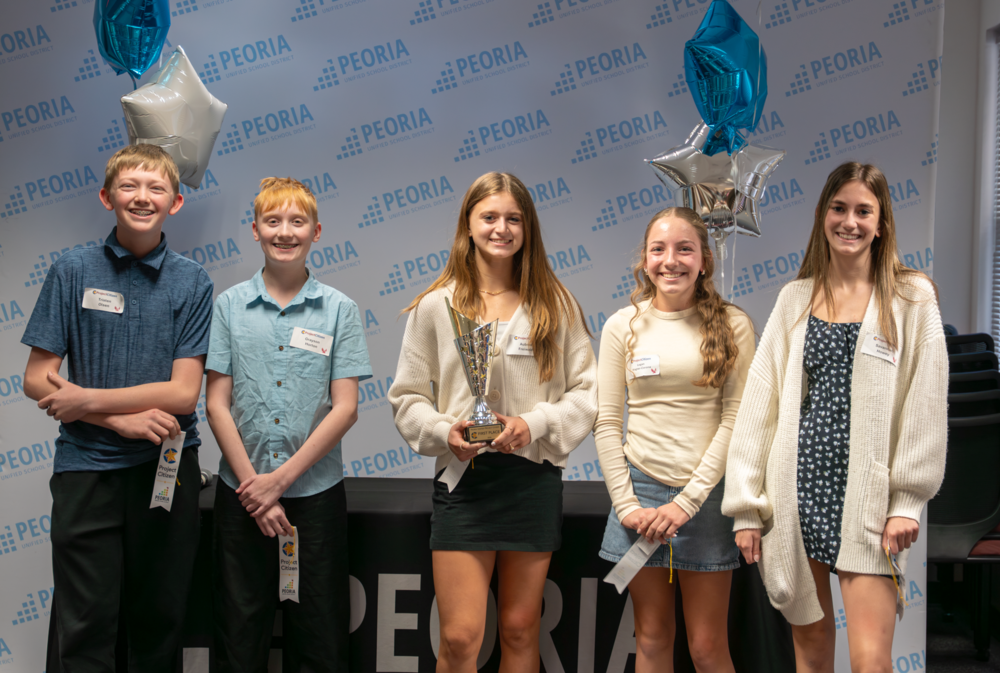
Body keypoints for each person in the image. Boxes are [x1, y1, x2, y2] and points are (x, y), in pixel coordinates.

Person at [722, 162, 947, 672]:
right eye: (839, 208)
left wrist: (907, 501)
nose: (850, 221)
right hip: (795, 495)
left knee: (872, 662)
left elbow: (925, 405)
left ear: (881, 222)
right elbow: (761, 405)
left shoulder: (912, 298)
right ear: (823, 214)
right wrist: (745, 506)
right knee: (812, 654)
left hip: (867, 499)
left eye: (863, 211)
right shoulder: (794, 299)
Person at [388, 172, 598, 672]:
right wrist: (445, 433)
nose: (501, 228)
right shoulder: (436, 306)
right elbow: (408, 399)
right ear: (468, 224)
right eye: (489, 217)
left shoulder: (556, 304)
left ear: (528, 229)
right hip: (465, 482)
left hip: (532, 480)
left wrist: (534, 422)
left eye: (513, 219)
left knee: (521, 630)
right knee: (460, 639)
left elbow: (588, 394)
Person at [21, 143, 213, 672]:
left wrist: (87, 399)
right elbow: (37, 379)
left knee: (158, 623)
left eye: (157, 188)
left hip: (165, 471)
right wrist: (114, 418)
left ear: (175, 203)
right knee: (84, 624)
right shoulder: (71, 270)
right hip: (87, 470)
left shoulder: (193, 281)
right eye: (129, 186)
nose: (142, 197)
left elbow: (182, 394)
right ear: (107, 197)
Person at [205, 177, 372, 672]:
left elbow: (346, 407)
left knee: (318, 635)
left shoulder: (339, 310)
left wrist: (278, 482)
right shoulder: (229, 306)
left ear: (316, 231)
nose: (284, 232)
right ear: (254, 230)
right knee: (238, 633)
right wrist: (255, 490)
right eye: (272, 221)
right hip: (241, 494)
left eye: (297, 222)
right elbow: (216, 403)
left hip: (315, 496)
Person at [594, 207, 754, 672]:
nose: (671, 260)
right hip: (640, 498)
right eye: (658, 249)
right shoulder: (622, 325)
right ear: (644, 261)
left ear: (704, 259)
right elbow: (607, 422)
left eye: (685, 249)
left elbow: (735, 420)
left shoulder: (733, 324)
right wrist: (627, 507)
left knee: (706, 647)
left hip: (704, 498)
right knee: (651, 639)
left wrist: (687, 502)